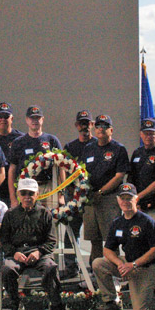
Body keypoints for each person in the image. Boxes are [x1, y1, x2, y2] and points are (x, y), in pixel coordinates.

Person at [93, 183, 155, 310]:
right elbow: (107, 250)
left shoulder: (146, 221)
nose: (125, 202)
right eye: (122, 198)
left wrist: (134, 265)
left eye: (129, 198)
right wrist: (120, 264)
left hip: (146, 267)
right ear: (118, 200)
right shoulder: (117, 223)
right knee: (98, 263)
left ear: (136, 199)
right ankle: (111, 302)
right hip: (128, 264)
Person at [0, 178, 71, 310]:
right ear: (18, 194)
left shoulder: (45, 213)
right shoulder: (10, 214)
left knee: (50, 267)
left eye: (31, 193)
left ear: (37, 194)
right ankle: (15, 304)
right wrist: (14, 253)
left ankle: (56, 304)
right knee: (8, 269)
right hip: (17, 253)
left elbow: (51, 240)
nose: (27, 197)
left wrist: (39, 252)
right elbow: (4, 241)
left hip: (40, 252)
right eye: (23, 193)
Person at [81, 114, 129, 267]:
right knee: (94, 239)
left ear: (111, 130)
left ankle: (114, 271)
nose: (101, 129)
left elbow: (119, 176)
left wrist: (101, 192)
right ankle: (95, 271)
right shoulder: (89, 148)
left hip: (108, 198)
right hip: (91, 199)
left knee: (110, 239)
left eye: (105, 126)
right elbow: (82, 172)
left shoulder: (118, 149)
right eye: (98, 126)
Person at [129, 117, 155, 282]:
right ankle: (140, 277)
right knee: (137, 240)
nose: (148, 136)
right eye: (146, 133)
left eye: (152, 133)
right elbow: (131, 179)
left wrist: (139, 197)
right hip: (138, 206)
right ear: (141, 134)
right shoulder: (137, 153)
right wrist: (135, 201)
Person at [7, 105, 63, 209]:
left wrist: (61, 194)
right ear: (27, 120)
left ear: (42, 119)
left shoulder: (52, 140)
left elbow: (61, 167)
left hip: (48, 187)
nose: (35, 121)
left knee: (50, 217)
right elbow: (12, 171)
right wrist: (13, 198)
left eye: (37, 118)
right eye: (32, 118)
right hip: (26, 189)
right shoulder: (18, 143)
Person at [62, 110, 96, 275]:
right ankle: (71, 267)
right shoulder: (70, 147)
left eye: (87, 123)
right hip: (73, 195)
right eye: (81, 123)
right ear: (76, 126)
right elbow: (63, 168)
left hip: (92, 196)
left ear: (92, 125)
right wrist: (67, 189)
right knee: (71, 231)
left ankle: (94, 266)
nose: (85, 127)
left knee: (94, 233)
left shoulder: (97, 145)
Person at [0, 102, 24, 202]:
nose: (3, 119)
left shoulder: (21, 139)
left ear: (12, 119)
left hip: (16, 187)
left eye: (6, 116)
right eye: (0, 116)